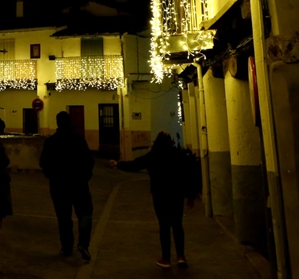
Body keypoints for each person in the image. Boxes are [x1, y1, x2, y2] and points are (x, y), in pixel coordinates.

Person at [109, 130, 198, 268]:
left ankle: (166, 259)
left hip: (160, 195)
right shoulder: (178, 155)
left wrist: (118, 164)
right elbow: (188, 175)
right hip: (176, 195)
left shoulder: (153, 156)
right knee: (177, 224)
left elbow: (136, 164)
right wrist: (190, 196)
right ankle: (181, 256)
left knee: (164, 226)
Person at [39, 111, 95, 261]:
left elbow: (43, 163)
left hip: (58, 185)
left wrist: (51, 175)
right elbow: (89, 161)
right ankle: (83, 243)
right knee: (85, 213)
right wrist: (85, 176)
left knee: (64, 218)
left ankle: (67, 247)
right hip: (79, 184)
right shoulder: (78, 140)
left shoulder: (51, 142)